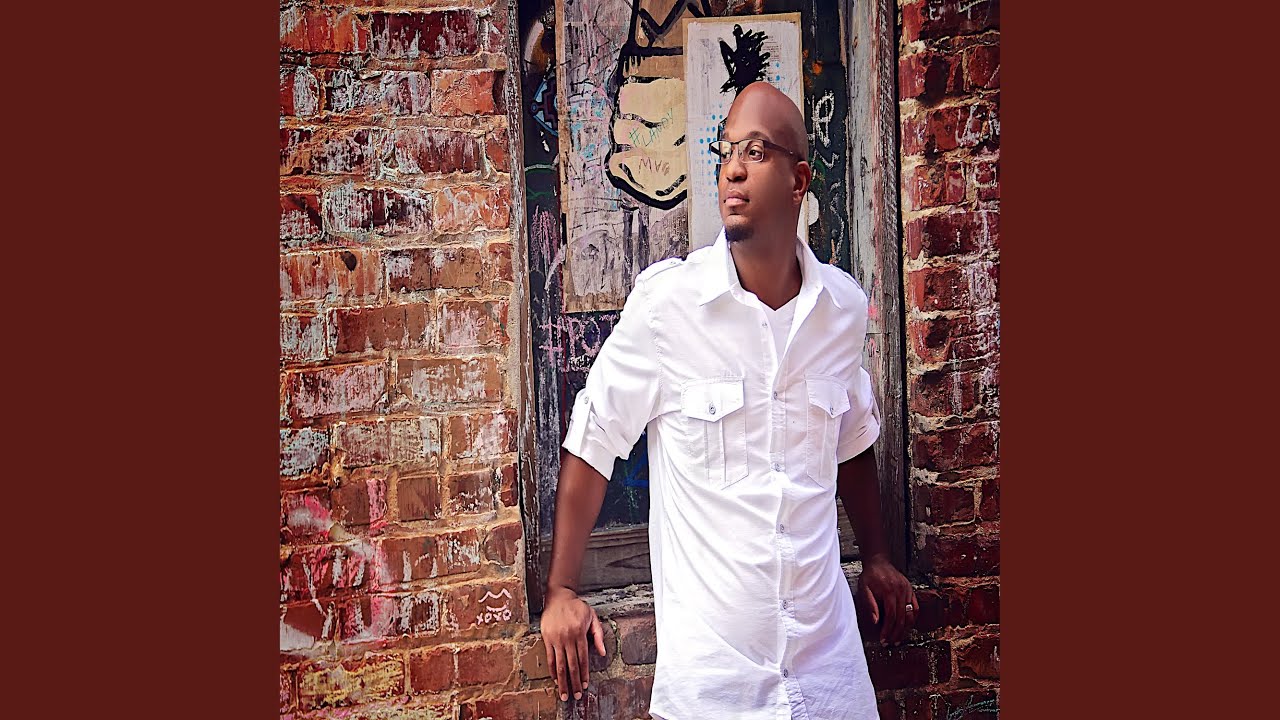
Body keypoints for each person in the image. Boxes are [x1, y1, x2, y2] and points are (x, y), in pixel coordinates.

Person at [540, 81, 917, 719]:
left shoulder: (841, 310)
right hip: (716, 691)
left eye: (756, 151)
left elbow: (852, 437)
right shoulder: (668, 307)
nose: (733, 169)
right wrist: (561, 589)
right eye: (726, 151)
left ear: (799, 181)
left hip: (829, 681)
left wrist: (877, 556)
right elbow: (593, 437)